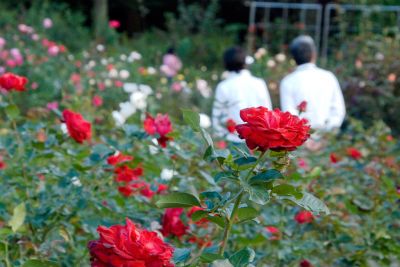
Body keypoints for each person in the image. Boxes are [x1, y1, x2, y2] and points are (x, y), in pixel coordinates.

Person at [280, 35, 345, 130]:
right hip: (327, 140)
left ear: (293, 57)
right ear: (314, 54)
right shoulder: (328, 77)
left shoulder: (287, 81)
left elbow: (289, 115)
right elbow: (338, 111)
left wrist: (305, 138)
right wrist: (325, 135)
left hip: (300, 139)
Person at [212, 46, 272, 142]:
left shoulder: (223, 86)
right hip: (259, 140)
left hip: (233, 140)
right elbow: (268, 113)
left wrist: (221, 139)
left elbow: (217, 118)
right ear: (245, 62)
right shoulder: (259, 83)